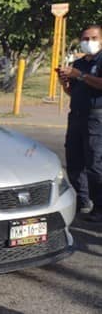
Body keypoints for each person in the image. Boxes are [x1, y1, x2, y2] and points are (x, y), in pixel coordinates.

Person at [57, 24, 102, 219]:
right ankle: (83, 201)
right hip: (76, 115)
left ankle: (99, 206)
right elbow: (72, 91)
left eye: (93, 38)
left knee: (95, 163)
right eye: (85, 39)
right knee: (74, 161)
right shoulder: (80, 62)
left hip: (96, 116)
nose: (88, 42)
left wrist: (81, 76)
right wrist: (65, 81)